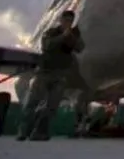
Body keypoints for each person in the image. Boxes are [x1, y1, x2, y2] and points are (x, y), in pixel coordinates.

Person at [17, 9, 83, 141]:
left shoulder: (73, 34)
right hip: (44, 73)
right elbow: (47, 45)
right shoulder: (51, 32)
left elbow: (80, 47)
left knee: (52, 106)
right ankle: (23, 131)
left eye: (70, 21)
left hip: (60, 75)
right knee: (33, 102)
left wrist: (70, 37)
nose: (68, 23)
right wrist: (63, 36)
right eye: (66, 20)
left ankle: (40, 132)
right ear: (61, 20)